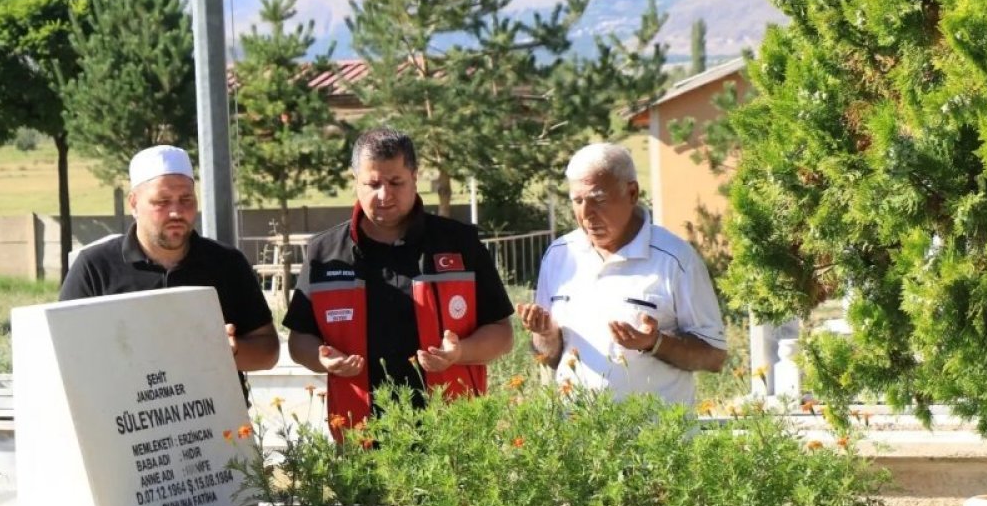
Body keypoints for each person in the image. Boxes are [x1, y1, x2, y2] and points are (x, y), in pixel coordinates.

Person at [283, 128, 514, 436]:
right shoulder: (324, 252)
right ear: (355, 182)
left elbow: (502, 334)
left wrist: (460, 353)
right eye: (373, 184)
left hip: (454, 436)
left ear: (414, 177)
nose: (384, 194)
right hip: (360, 433)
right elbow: (300, 341)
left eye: (395, 182)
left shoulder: (459, 243)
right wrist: (324, 359)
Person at [516, 142, 726, 403]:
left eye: (598, 200)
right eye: (577, 201)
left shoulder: (676, 258)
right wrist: (546, 334)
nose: (586, 214)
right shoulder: (559, 255)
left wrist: (655, 343)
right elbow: (550, 357)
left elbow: (714, 355)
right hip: (577, 435)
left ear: (632, 193)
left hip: (655, 438)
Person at [60, 145, 279, 373]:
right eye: (161, 202)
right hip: (126, 408)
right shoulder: (96, 267)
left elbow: (268, 350)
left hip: (214, 407)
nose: (176, 212)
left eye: (186, 199)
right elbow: (63, 351)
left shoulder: (227, 263)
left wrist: (228, 351)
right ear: (134, 203)